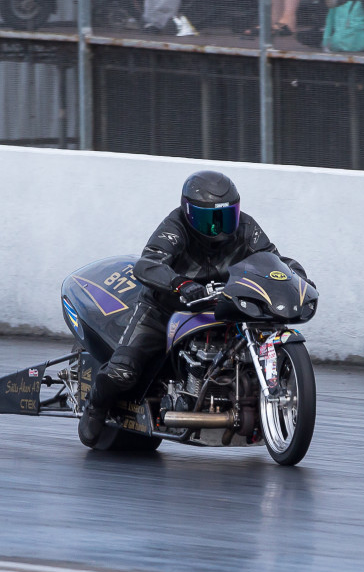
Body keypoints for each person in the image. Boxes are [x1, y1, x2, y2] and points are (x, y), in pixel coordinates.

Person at [80, 170, 310, 442]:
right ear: (190, 213)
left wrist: (294, 277)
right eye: (211, 219)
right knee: (124, 370)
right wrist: (180, 283)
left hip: (221, 305)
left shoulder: (247, 228)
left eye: (227, 217)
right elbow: (148, 263)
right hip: (165, 308)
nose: (221, 227)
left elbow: (273, 259)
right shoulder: (175, 227)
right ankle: (94, 408)